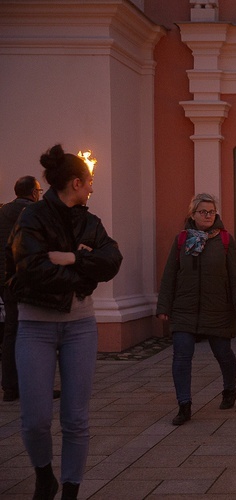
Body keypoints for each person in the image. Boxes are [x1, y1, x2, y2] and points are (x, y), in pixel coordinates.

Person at [6, 144, 123, 499]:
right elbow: (31, 270)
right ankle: (44, 474)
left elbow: (111, 260)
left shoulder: (89, 221)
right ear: (75, 183)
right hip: (35, 327)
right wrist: (83, 275)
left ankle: (71, 489)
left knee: (75, 418)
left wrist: (71, 259)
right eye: (88, 182)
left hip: (80, 328)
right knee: (35, 419)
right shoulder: (32, 218)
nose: (91, 188)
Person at [156, 193, 236, 426]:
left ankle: (229, 389)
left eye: (211, 212)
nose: (208, 216)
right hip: (184, 307)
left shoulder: (225, 240)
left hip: (217, 307)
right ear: (193, 214)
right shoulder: (182, 239)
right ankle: (184, 405)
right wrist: (164, 306)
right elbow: (170, 274)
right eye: (203, 212)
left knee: (223, 353)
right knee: (181, 356)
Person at [1, 176, 42, 402]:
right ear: (33, 193)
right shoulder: (35, 213)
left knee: (10, 332)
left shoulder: (2, 212)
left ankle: (9, 386)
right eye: (39, 190)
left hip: (4, 281)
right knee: (32, 333)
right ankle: (32, 386)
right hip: (26, 278)